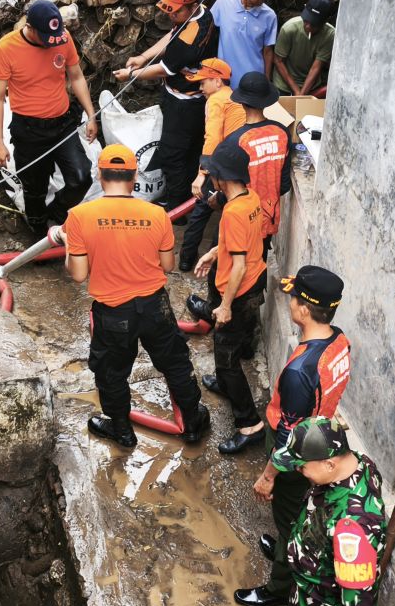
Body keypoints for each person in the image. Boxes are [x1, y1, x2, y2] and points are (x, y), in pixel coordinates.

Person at [57, 143, 210, 448]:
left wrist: (67, 242)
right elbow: (167, 265)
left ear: (100, 175)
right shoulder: (156, 214)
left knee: (112, 372)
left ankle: (122, 431)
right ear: (134, 175)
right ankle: (192, 423)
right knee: (175, 363)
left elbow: (77, 274)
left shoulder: (79, 216)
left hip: (113, 313)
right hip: (155, 307)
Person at [235, 266, 352, 606]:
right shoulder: (339, 342)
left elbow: (288, 440)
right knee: (298, 509)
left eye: (294, 298)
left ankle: (279, 585)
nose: (290, 303)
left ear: (303, 309)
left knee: (289, 518)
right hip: (319, 435)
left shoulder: (301, 372)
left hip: (299, 449)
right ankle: (286, 550)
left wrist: (268, 476)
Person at [268, 416, 385, 606]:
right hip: (311, 599)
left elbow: (358, 595)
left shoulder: (353, 526)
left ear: (330, 464)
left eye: (303, 465)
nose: (298, 470)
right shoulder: (359, 463)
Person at [0, 0, 97, 236]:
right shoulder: (5, 48)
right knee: (34, 188)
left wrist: (91, 115)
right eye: (47, 37)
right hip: (29, 130)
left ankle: (55, 215)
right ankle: (38, 229)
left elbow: (77, 76)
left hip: (62, 124)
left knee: (81, 178)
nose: (53, 43)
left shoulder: (62, 38)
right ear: (30, 27)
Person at [189, 137, 267, 455]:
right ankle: (224, 384)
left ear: (223, 177)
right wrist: (213, 252)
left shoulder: (234, 212)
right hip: (255, 283)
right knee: (233, 351)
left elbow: (237, 267)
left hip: (239, 291)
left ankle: (250, 426)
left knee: (227, 361)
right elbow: (243, 245)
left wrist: (223, 306)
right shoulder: (251, 199)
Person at [113, 0, 218, 212]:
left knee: (173, 154)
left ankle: (176, 208)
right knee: (189, 151)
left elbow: (164, 68)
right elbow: (171, 36)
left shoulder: (191, 38)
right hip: (188, 97)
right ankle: (185, 201)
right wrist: (142, 57)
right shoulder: (202, 13)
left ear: (191, 6)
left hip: (184, 103)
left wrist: (131, 74)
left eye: (176, 11)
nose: (171, 15)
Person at [179, 57, 248, 271]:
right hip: (240, 165)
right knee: (228, 211)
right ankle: (218, 259)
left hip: (222, 164)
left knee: (201, 209)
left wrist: (202, 174)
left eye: (203, 82)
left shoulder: (216, 100)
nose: (200, 87)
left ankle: (186, 259)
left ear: (218, 81)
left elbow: (213, 138)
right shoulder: (234, 96)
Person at [225, 72, 291, 252]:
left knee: (232, 263)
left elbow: (226, 190)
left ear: (242, 102)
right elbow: (284, 185)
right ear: (267, 101)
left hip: (242, 219)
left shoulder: (235, 141)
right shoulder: (282, 132)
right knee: (259, 264)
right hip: (269, 216)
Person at [210, 0, 279, 86]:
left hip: (253, 81)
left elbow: (268, 51)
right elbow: (207, 33)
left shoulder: (269, 16)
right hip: (224, 78)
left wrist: (266, 80)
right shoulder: (223, 3)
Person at [272, 0, 335, 98]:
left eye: (314, 23)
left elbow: (316, 67)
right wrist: (296, 91)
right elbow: (278, 61)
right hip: (283, 85)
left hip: (310, 85)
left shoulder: (330, 35)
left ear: (324, 21)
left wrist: (301, 95)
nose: (308, 26)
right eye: (306, 20)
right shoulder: (289, 29)